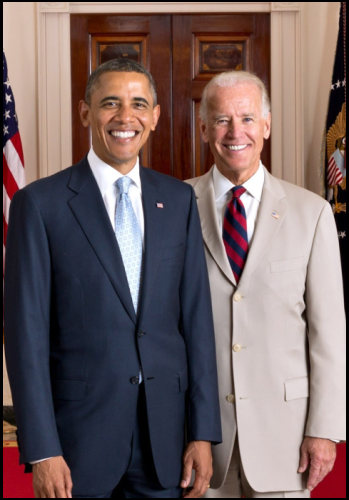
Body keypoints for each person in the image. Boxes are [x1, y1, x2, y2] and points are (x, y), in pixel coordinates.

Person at [4, 59, 222, 499]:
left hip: (166, 444)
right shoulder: (39, 205)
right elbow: (25, 337)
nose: (126, 118)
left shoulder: (178, 201)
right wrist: (43, 450)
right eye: (110, 104)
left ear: (156, 116)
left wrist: (203, 432)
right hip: (76, 448)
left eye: (139, 104)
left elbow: (197, 325)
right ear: (86, 113)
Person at [186, 71, 346, 499]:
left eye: (248, 118)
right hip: (198, 441)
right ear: (203, 128)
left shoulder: (311, 214)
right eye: (221, 120)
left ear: (267, 126)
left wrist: (325, 430)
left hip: (287, 440)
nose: (235, 132)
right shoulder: (174, 209)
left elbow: (328, 333)